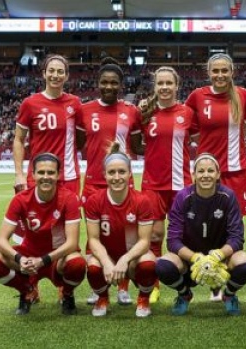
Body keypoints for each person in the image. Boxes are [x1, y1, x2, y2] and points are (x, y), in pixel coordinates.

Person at [185, 53, 246, 302]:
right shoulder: (197, 97)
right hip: (207, 174)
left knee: (233, 228)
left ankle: (227, 283)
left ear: (232, 71)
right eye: (216, 71)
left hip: (236, 172)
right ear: (209, 72)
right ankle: (210, 277)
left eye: (225, 70)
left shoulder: (244, 96)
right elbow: (188, 129)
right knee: (207, 225)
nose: (220, 75)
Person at [0, 153, 86, 315]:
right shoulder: (20, 199)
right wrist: (20, 259)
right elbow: (1, 241)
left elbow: (72, 243)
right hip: (28, 256)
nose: (46, 177)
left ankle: (67, 294)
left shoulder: (69, 198)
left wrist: (43, 261)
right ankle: (27, 290)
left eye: (51, 173)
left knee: (77, 264)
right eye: (41, 172)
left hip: (56, 258)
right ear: (33, 174)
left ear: (58, 175)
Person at [78, 57, 144, 306]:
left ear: (120, 85)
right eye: (104, 82)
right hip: (95, 182)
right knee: (95, 235)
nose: (108, 86)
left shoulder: (131, 111)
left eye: (114, 83)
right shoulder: (84, 110)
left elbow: (138, 146)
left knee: (126, 235)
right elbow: (79, 143)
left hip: (122, 182)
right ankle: (99, 286)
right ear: (98, 83)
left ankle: (123, 286)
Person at [155, 153, 246, 316]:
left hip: (220, 260)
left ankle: (229, 295)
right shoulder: (182, 197)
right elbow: (173, 240)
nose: (206, 175)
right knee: (163, 266)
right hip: (190, 261)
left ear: (218, 174)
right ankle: (184, 294)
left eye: (210, 171)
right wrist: (196, 258)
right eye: (201, 171)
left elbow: (237, 238)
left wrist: (218, 255)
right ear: (193, 175)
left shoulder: (228, 197)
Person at [139, 66, 195, 303]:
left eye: (168, 83)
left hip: (181, 183)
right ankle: (154, 284)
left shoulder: (188, 113)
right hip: (153, 182)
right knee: (154, 233)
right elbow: (135, 144)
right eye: (160, 83)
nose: (164, 88)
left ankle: (187, 282)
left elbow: (200, 139)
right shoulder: (144, 112)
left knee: (182, 235)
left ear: (176, 85)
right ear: (155, 87)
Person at [84, 143, 157, 317]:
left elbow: (145, 242)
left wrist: (125, 259)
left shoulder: (142, 201)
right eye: (111, 172)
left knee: (149, 263)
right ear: (104, 175)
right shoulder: (94, 201)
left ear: (130, 174)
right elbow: (93, 239)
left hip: (131, 256)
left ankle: (143, 298)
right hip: (107, 254)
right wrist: (107, 262)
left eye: (122, 172)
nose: (117, 177)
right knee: (93, 266)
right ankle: (103, 297)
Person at [12, 54, 82, 194]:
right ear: (44, 74)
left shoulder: (75, 103)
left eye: (60, 71)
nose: (55, 75)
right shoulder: (30, 103)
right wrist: (19, 174)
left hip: (68, 177)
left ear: (67, 76)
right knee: (35, 217)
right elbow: (19, 140)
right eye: (51, 71)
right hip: (39, 176)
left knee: (70, 217)